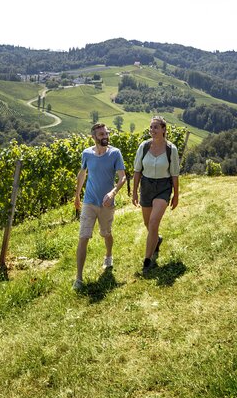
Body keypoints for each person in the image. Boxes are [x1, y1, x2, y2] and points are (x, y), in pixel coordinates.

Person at [73, 122, 126, 290]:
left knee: (106, 233)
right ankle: (79, 278)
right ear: (94, 137)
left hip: (106, 204)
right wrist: (77, 196)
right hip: (89, 201)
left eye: (106, 133)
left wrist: (113, 193)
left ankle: (109, 255)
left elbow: (123, 177)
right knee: (83, 237)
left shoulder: (115, 153)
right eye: (101, 134)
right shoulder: (86, 154)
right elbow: (82, 174)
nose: (105, 136)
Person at [131, 116, 180, 273]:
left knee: (153, 223)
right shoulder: (144, 147)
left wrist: (176, 195)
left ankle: (147, 260)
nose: (152, 130)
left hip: (163, 187)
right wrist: (134, 192)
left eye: (156, 127)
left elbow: (174, 174)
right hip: (146, 186)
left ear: (164, 129)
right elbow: (137, 170)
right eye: (151, 127)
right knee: (148, 224)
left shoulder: (171, 149)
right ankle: (157, 240)